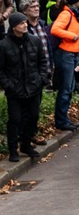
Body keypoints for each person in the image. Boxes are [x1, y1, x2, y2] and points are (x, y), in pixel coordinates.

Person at [1, 14, 49, 163]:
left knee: (33, 116)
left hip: (33, 87)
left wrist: (42, 79)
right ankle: (13, 149)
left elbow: (42, 61)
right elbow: (1, 70)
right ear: (14, 26)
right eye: (21, 23)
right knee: (15, 119)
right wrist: (8, 85)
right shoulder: (4, 45)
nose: (25, 25)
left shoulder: (34, 41)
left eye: (25, 22)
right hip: (15, 89)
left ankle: (26, 145)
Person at [49, 0, 79, 131]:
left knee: (69, 88)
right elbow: (55, 29)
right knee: (65, 89)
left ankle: (64, 119)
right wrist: (72, 36)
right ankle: (61, 121)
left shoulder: (75, 14)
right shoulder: (67, 14)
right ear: (76, 1)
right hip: (66, 54)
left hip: (72, 54)